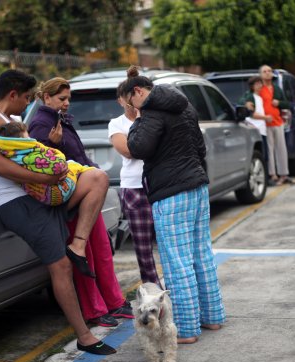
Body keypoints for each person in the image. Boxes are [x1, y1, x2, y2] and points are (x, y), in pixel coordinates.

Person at [0, 69, 116, 355]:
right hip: (17, 202)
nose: (28, 103)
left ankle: (79, 245)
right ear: (12, 94)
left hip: (41, 195)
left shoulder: (10, 121)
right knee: (59, 266)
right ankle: (84, 336)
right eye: (25, 97)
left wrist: (53, 168)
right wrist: (46, 179)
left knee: (97, 178)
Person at [122, 65, 226, 344]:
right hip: (197, 186)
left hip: (171, 193)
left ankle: (188, 329)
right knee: (201, 255)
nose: (131, 108)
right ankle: (213, 317)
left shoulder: (152, 113)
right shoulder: (185, 106)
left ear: (138, 92)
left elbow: (138, 148)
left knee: (176, 262)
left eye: (130, 102)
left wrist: (137, 120)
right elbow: (200, 148)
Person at [28, 77, 133, 327]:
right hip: (71, 198)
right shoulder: (41, 124)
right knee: (85, 256)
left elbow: (79, 156)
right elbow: (40, 164)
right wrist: (51, 145)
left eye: (68, 100)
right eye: (62, 99)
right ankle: (95, 310)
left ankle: (114, 302)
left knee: (102, 251)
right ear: (47, 98)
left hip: (87, 194)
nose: (66, 104)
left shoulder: (58, 120)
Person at [109, 84, 161, 285]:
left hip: (158, 184)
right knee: (142, 247)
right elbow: (129, 150)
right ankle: (152, 290)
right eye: (125, 100)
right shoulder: (116, 123)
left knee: (167, 242)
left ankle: (175, 288)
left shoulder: (154, 119)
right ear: (120, 101)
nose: (130, 103)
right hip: (133, 187)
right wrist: (139, 121)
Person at [0, 121, 96, 206]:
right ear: (21, 142)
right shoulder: (29, 157)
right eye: (28, 138)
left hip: (42, 194)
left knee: (74, 165)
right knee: (77, 167)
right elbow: (59, 166)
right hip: (57, 192)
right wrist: (59, 156)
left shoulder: (9, 156)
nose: (32, 140)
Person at [248, 65, 295, 185]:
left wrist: (279, 102)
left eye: (269, 71)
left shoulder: (276, 88)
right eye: (265, 71)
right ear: (260, 74)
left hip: (278, 122)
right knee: (269, 150)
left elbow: (287, 104)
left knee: (281, 149)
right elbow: (249, 100)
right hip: (265, 124)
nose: (268, 73)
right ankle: (272, 175)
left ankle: (284, 174)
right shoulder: (258, 89)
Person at [240, 75, 273, 183]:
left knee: (265, 156)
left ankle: (266, 178)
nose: (259, 85)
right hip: (256, 129)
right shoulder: (250, 96)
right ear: (252, 86)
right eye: (257, 83)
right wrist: (266, 117)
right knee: (261, 156)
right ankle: (264, 180)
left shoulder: (259, 97)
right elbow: (252, 114)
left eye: (260, 83)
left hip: (262, 129)